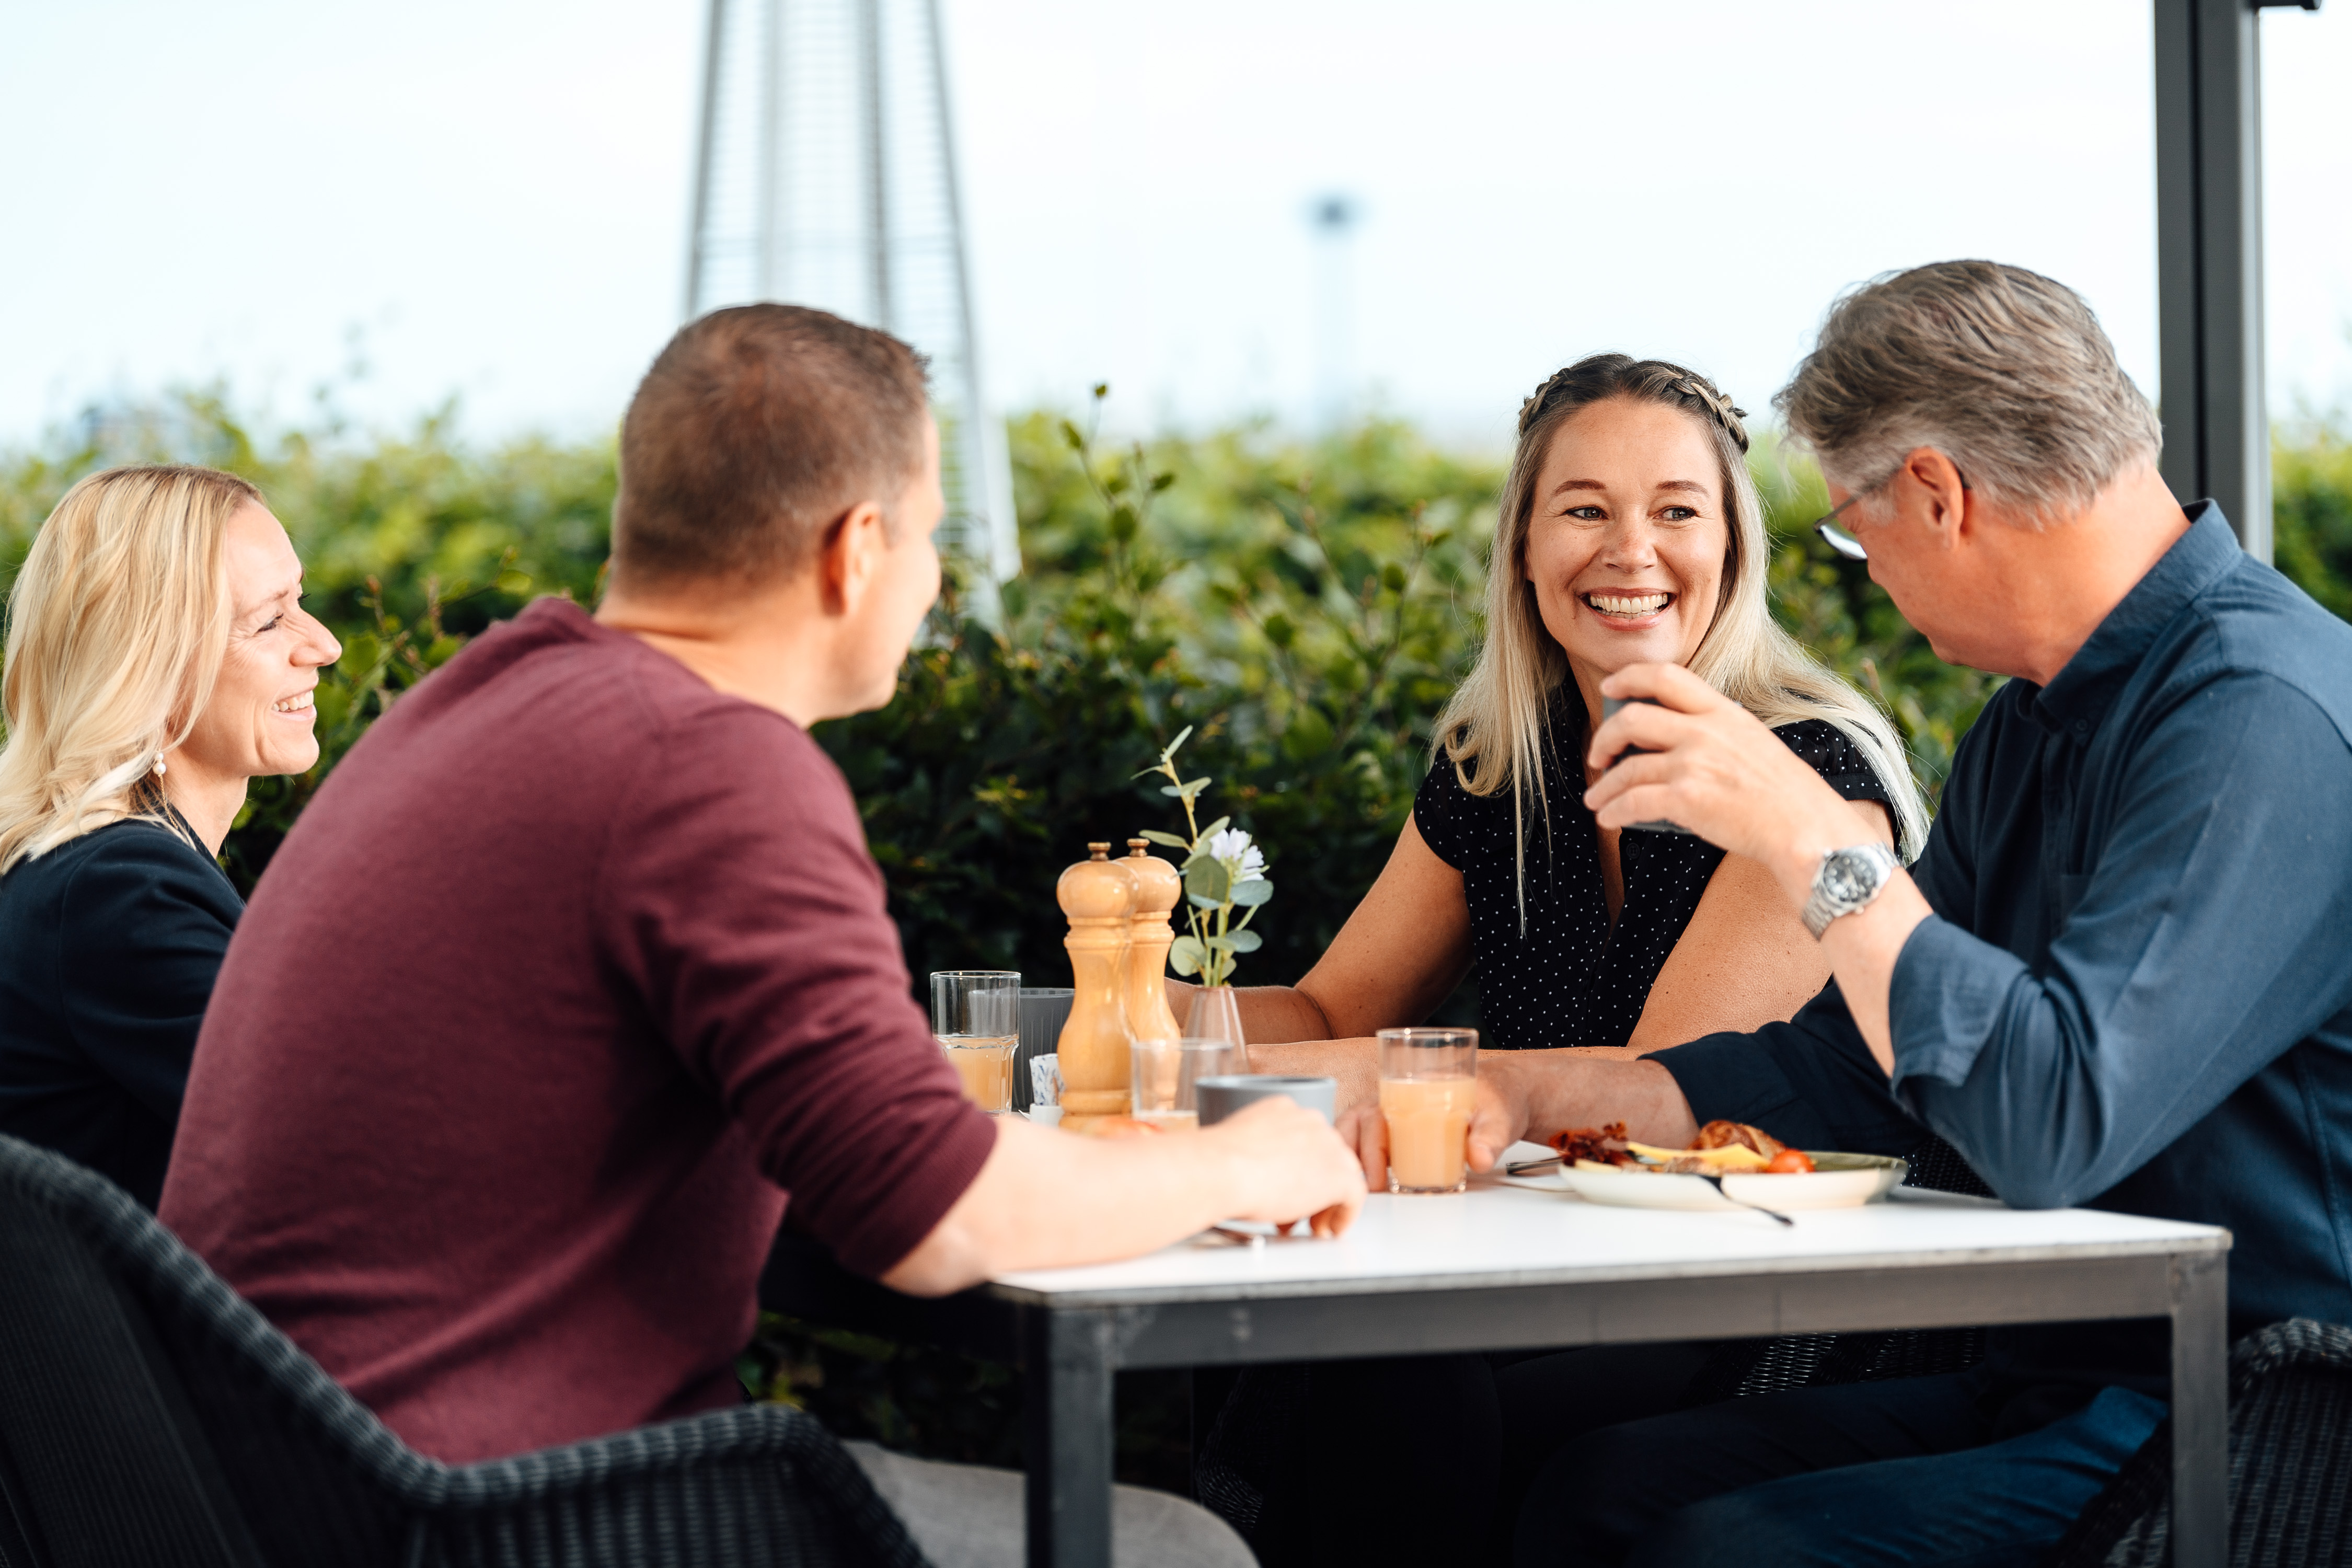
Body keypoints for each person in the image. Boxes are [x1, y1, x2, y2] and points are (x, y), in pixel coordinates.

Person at [159, 305, 1362, 1567]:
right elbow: (933, 1211)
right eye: (931, 537)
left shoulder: (480, 701)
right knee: (1180, 1554)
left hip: (293, 1481)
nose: (935, 581)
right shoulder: (705, 762)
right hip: (482, 1514)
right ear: (857, 550)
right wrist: (1245, 1163)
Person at [1474, 260, 2352, 1567]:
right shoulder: (2033, 725)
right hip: (2061, 1376)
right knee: (1600, 1487)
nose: (1868, 568)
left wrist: (1812, 837)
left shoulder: (2260, 717)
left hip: (2260, 1416)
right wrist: (1531, 1098)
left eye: (1854, 525)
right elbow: (1854, 1073)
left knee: (1724, 1550)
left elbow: (2054, 1122)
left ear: (1937, 494)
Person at [1187, 358, 1932, 1566]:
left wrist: (1231, 1082)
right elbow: (1329, 1007)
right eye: (1585, 509)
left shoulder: (1804, 776)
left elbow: (1652, 1097)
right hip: (1531, 1255)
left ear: (1733, 547)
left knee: (1393, 1379)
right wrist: (1141, 1018)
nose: (1631, 550)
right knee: (1317, 1335)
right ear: (1524, 550)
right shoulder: (1501, 765)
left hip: (1757, 1289)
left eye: (1677, 511)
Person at [0, 465, 340, 1208]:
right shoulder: (119, 892)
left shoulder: (89, 870)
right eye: (269, 621)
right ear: (151, 665)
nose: (325, 646)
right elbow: (351, 1134)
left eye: (301, 602)